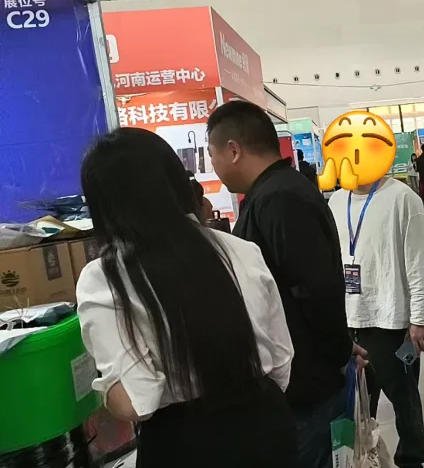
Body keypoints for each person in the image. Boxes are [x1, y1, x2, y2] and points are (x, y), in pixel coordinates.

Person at [76, 128, 296, 467]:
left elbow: (136, 401)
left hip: (185, 441)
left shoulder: (105, 276)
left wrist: (105, 392)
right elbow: (281, 360)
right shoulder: (240, 250)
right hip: (266, 423)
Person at [207, 101, 363, 468]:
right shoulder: (272, 193)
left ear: (233, 150)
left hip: (307, 388)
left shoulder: (279, 199)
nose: (212, 165)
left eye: (211, 155)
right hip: (300, 384)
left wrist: (340, 352)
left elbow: (316, 290)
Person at [328, 174, 424, 468]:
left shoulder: (404, 199)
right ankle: (361, 460)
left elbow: (420, 261)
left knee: (405, 400)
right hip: (348, 320)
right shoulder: (336, 200)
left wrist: (420, 318)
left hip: (392, 322)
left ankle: (411, 461)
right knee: (355, 403)